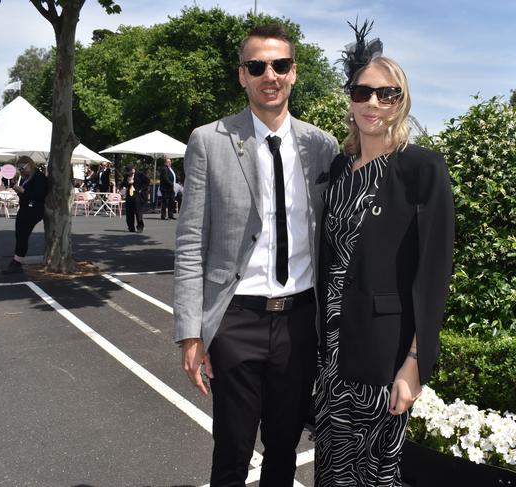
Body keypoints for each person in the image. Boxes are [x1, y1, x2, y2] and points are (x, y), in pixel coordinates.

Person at [174, 24, 338, 487]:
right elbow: (190, 243)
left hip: (299, 320)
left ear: (294, 73)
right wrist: (191, 332)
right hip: (236, 320)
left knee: (285, 448)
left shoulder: (319, 146)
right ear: (242, 75)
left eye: (280, 65)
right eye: (258, 66)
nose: (271, 74)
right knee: (232, 449)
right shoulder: (209, 140)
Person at [314, 21, 454, 487]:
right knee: (333, 467)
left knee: (377, 471)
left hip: (384, 350)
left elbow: (433, 273)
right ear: (350, 98)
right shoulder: (337, 168)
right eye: (362, 93)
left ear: (402, 101)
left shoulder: (421, 168)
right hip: (331, 348)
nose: (372, 103)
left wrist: (414, 364)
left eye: (386, 94)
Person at [3, 156, 48, 274]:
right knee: (19, 234)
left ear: (29, 164)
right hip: (25, 208)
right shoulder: (26, 178)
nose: (21, 170)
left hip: (35, 209)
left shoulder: (40, 177)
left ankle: (17, 262)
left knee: (23, 234)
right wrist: (17, 189)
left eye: (22, 167)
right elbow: (26, 195)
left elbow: (39, 195)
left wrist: (23, 191)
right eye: (19, 168)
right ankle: (17, 260)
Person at [122, 163, 149, 233]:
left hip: (137, 194)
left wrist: (141, 189)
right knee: (129, 212)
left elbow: (147, 181)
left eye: (130, 172)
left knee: (138, 211)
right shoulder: (126, 176)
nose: (129, 173)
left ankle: (140, 227)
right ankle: (131, 227)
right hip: (129, 195)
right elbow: (123, 184)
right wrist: (128, 182)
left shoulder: (140, 174)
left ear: (133, 169)